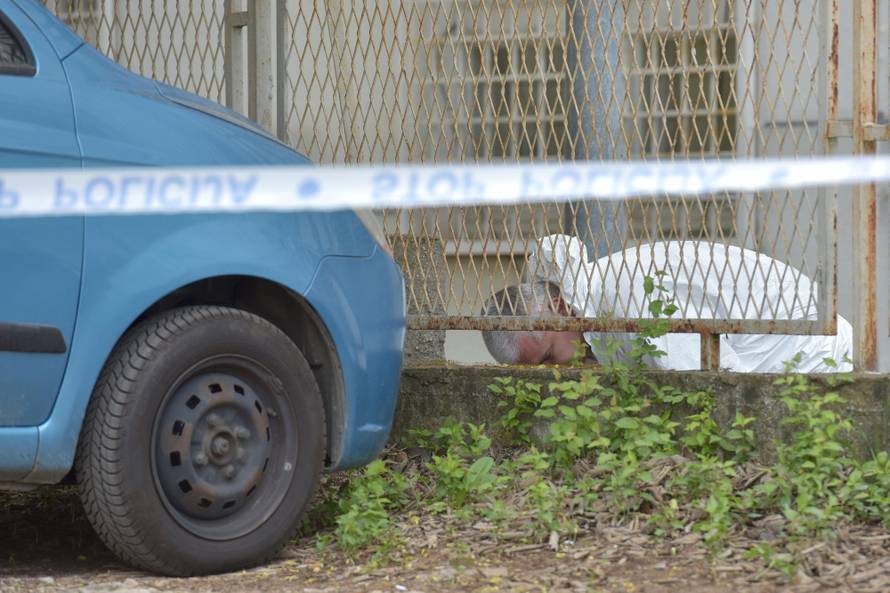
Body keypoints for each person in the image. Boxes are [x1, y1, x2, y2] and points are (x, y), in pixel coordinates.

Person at [482, 234, 853, 372]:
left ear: (561, 308)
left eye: (548, 357)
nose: (555, 372)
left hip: (809, 349)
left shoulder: (627, 301)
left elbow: (713, 385)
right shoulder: (599, 303)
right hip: (786, 344)